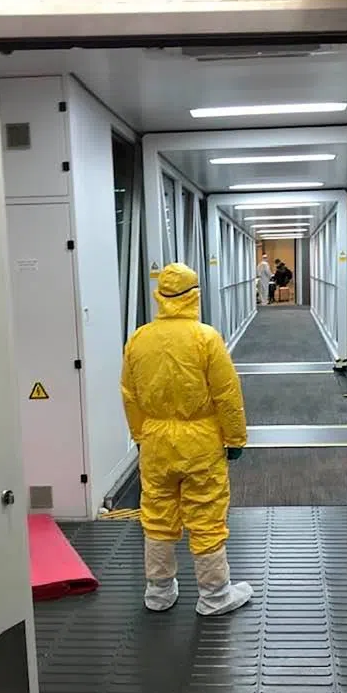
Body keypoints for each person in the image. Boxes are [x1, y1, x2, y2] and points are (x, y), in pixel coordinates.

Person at [121, 262, 253, 617]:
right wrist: (236, 438)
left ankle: (158, 591)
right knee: (206, 514)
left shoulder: (139, 338)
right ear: (194, 295)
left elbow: (130, 395)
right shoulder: (206, 337)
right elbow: (227, 394)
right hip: (200, 441)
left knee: (158, 514)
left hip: (156, 440)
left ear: (159, 296)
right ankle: (214, 595)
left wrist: (140, 436)